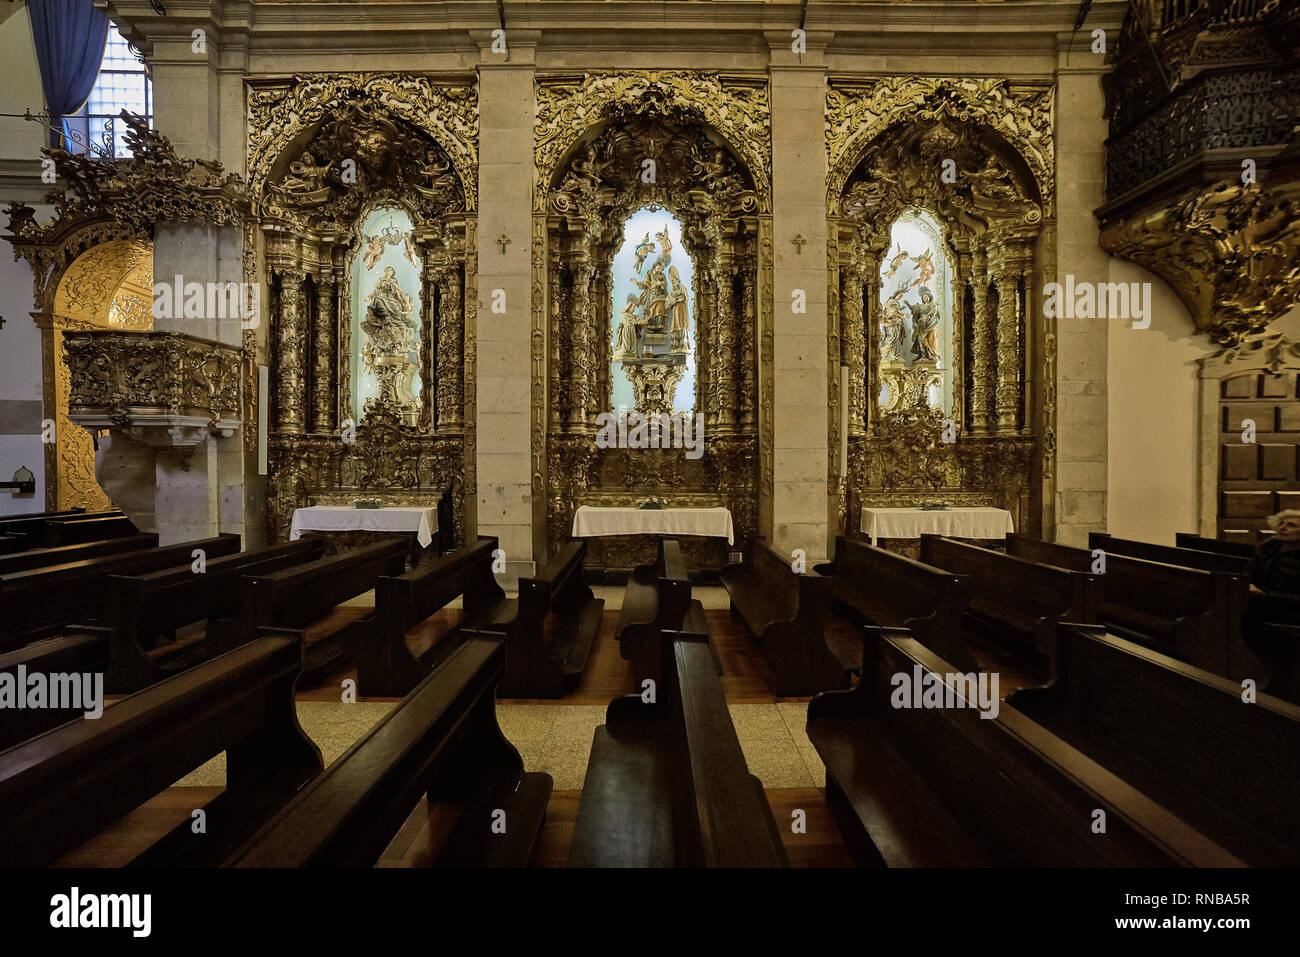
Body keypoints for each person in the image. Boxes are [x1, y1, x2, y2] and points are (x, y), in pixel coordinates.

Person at [1242, 510, 1300, 693]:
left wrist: (1265, 596)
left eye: (1292, 525)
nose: (1283, 527)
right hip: (1262, 603)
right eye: (1282, 523)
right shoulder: (1267, 549)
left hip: (1289, 610)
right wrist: (1249, 586)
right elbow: (1247, 574)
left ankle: (1270, 682)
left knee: (1246, 619)